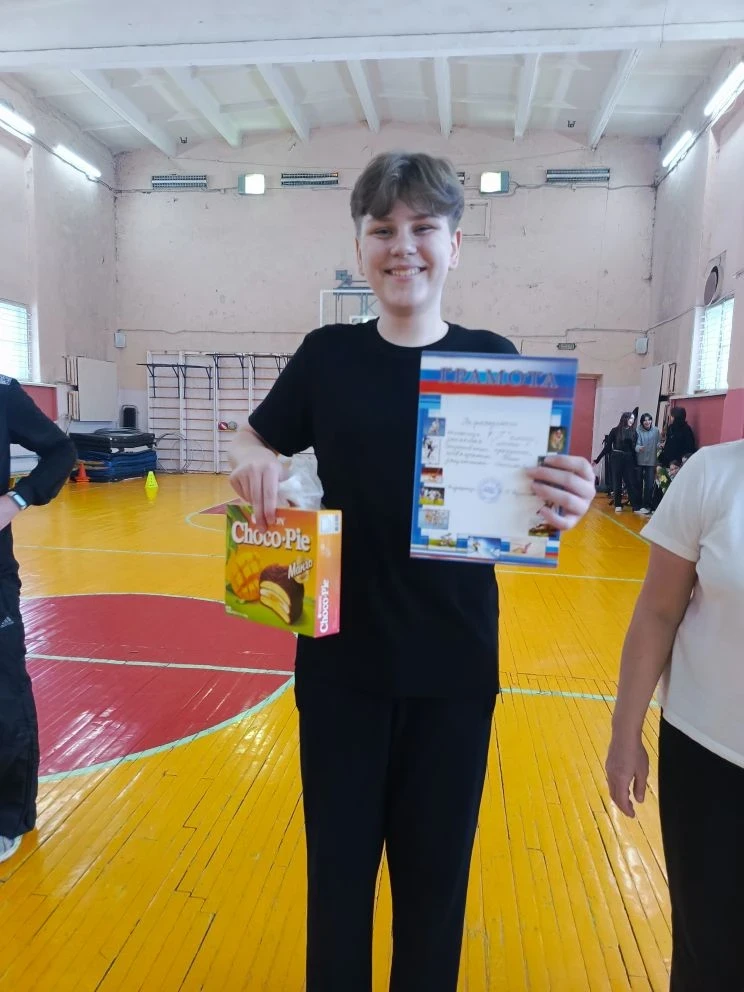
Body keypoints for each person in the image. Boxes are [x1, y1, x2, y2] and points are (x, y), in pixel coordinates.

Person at [228, 151, 596, 992]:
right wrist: (251, 462)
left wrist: (566, 499)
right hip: (340, 669)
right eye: (383, 229)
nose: (403, 246)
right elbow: (251, 437)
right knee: (338, 888)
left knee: (434, 892)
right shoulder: (327, 356)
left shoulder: (493, 361)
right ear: (360, 247)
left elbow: (539, 499)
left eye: (423, 228)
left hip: (453, 672)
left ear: (454, 245)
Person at [605, 440, 744, 991]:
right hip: (710, 756)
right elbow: (658, 612)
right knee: (709, 952)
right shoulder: (714, 475)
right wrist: (624, 735)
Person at [0, 377, 76, 863]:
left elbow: (61, 451)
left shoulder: (3, 395)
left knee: (4, 695)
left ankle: (8, 816)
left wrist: (17, 499)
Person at [595, 412, 643, 514]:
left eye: (633, 419)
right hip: (616, 457)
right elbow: (608, 447)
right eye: (630, 418)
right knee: (617, 481)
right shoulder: (615, 430)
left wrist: (636, 463)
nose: (632, 420)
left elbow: (634, 449)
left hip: (629, 458)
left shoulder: (634, 432)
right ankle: (617, 504)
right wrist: (597, 459)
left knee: (631, 482)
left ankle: (635, 506)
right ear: (625, 418)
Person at [635, 413, 660, 512]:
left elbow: (658, 443)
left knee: (649, 484)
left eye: (649, 420)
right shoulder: (637, 430)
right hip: (639, 460)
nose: (647, 422)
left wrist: (660, 445)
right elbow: (635, 444)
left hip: (651, 461)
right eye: (645, 420)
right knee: (638, 483)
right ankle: (637, 504)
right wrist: (639, 448)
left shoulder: (656, 431)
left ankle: (646, 505)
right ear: (642, 422)